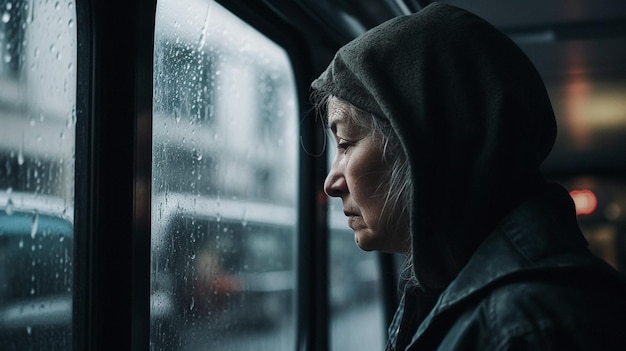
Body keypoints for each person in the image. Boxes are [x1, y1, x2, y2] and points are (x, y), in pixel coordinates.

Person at [312, 2, 626, 350]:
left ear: (427, 144)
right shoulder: (462, 295)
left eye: (344, 144)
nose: (331, 182)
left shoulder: (527, 325)